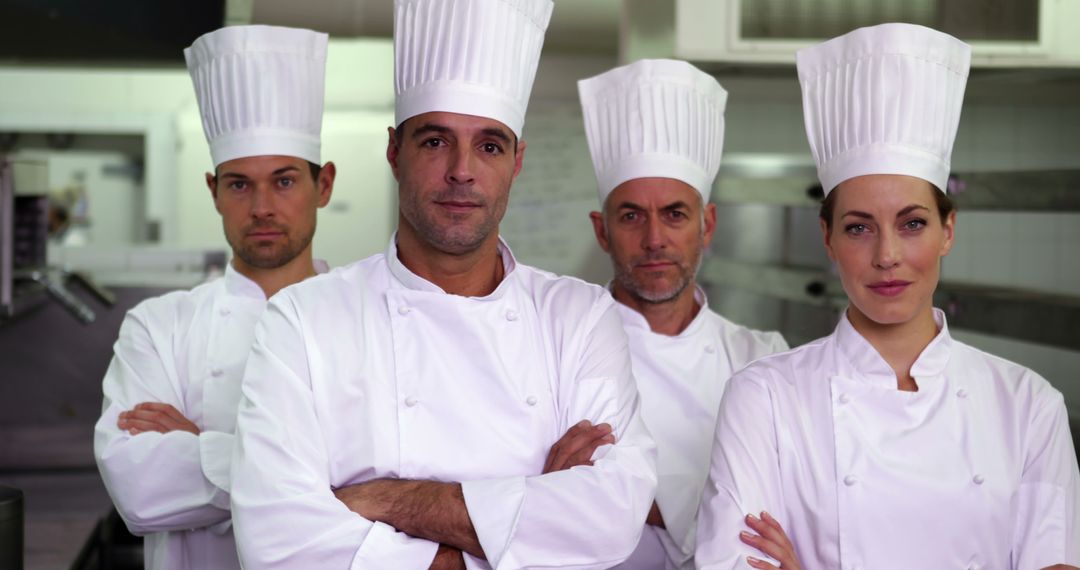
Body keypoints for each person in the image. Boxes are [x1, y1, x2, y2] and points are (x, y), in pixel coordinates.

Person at [228, 1, 658, 568]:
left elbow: (610, 519)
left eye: (489, 145)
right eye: (434, 142)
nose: (462, 170)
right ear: (393, 152)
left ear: (516, 161)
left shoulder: (578, 317)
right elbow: (276, 541)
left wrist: (384, 499)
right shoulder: (304, 319)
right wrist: (527, 512)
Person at [694, 23, 1080, 570]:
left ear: (948, 230)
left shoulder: (1028, 405)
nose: (886, 255)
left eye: (913, 223)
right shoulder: (765, 398)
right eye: (858, 227)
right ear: (827, 237)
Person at [93, 25, 335, 570]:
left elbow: (395, 474)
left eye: (285, 180)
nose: (263, 207)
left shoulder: (367, 313)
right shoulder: (158, 326)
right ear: (214, 191)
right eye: (239, 184)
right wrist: (316, 474)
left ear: (324, 187)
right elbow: (137, 488)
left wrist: (201, 447)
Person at [577, 59, 787, 569]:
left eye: (675, 214)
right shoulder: (561, 350)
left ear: (707, 224)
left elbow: (785, 511)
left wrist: (618, 488)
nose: (654, 240)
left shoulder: (764, 360)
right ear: (601, 230)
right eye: (631, 216)